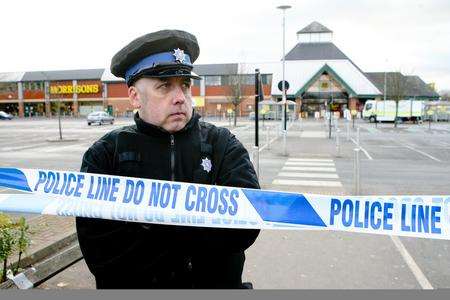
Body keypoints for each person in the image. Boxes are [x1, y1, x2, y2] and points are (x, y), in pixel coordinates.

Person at [75, 30, 260, 289]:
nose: (180, 97)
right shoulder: (106, 155)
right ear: (134, 97)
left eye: (185, 85)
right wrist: (199, 227)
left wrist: (149, 230)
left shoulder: (222, 145)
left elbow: (245, 225)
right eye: (165, 86)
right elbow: (101, 250)